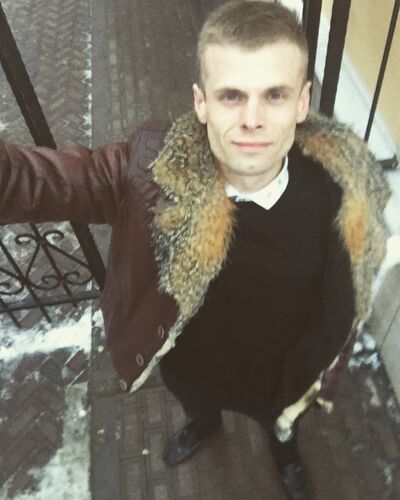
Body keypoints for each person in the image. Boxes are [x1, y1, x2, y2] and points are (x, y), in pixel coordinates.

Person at [0, 1, 390, 498]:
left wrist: (309, 371)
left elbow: (340, 303)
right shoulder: (153, 174)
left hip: (280, 369)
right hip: (194, 360)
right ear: (201, 104)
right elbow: (37, 180)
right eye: (231, 96)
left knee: (282, 421)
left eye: (274, 95)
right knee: (197, 400)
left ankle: (285, 451)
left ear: (301, 102)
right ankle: (202, 425)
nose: (252, 120)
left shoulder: (339, 194)